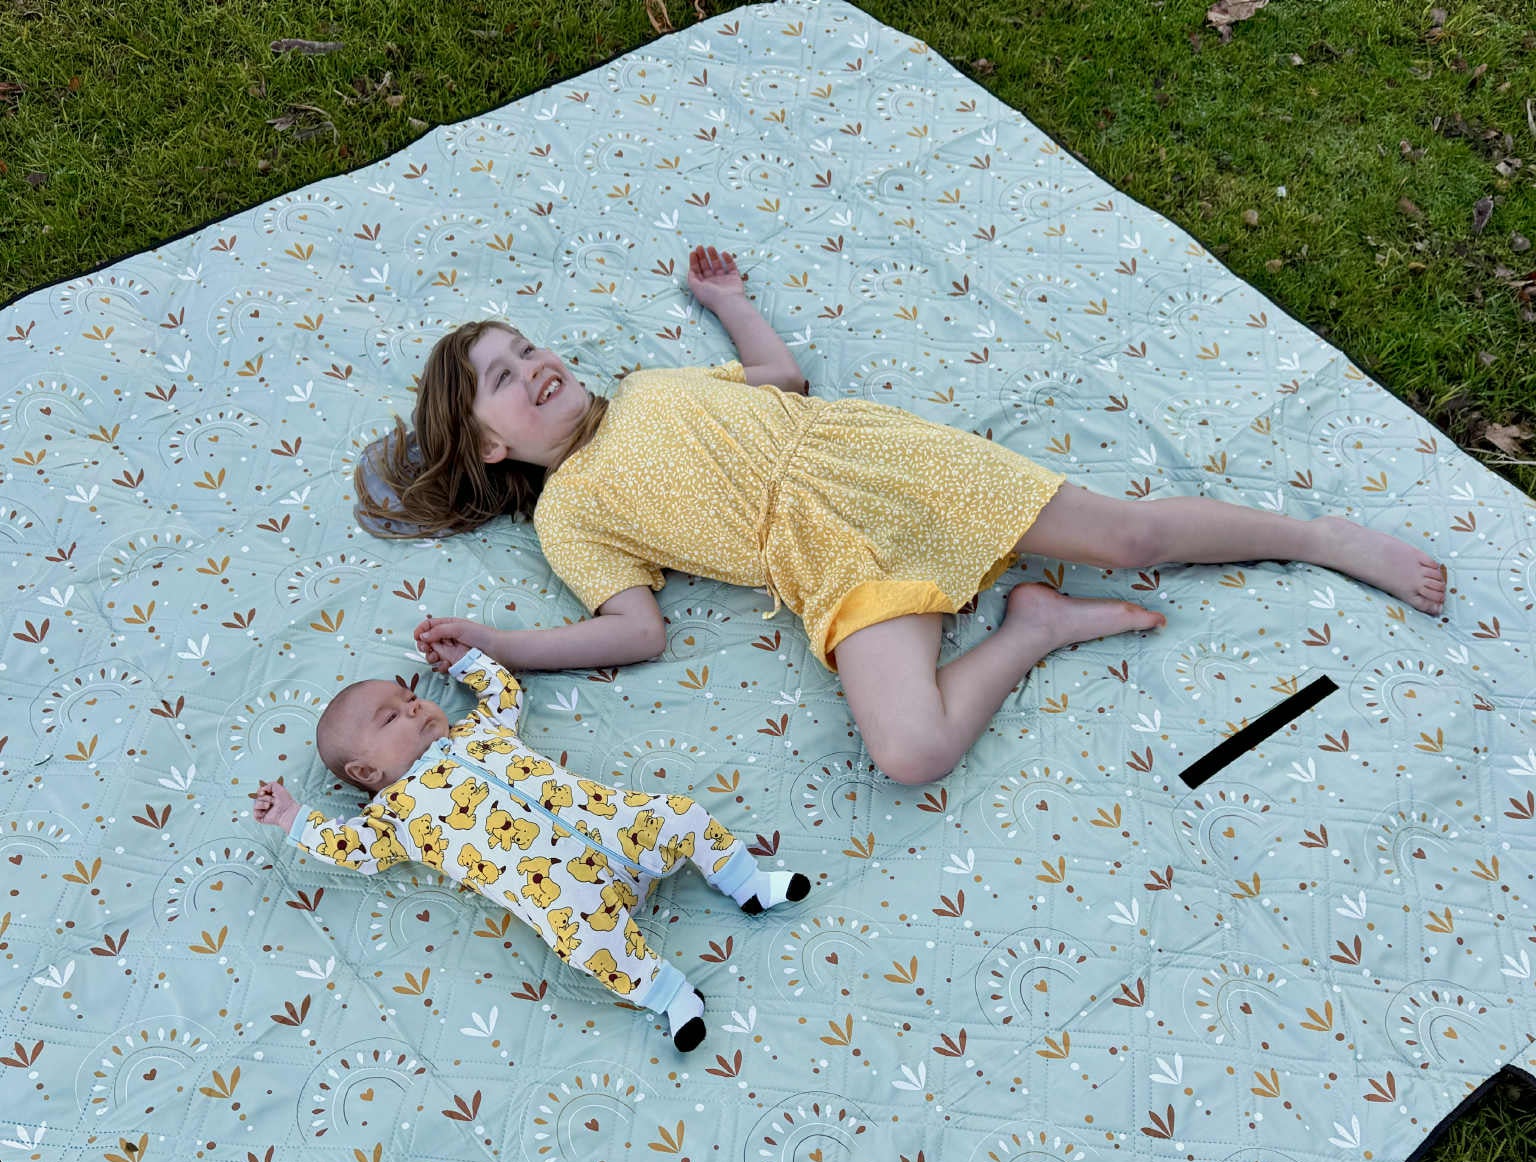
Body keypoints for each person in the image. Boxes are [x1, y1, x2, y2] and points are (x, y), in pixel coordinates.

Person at [358, 245, 1447, 785]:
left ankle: (1318, 539)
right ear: (493, 445)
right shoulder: (571, 519)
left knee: (1132, 539)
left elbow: (779, 379)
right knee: (908, 751)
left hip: (884, 469)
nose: (534, 367)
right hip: (829, 567)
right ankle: (1031, 631)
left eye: (526, 348)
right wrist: (500, 644)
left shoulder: (649, 384)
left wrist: (730, 303)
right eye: (502, 380)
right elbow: (634, 631)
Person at [250, 633, 811, 1051]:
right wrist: (295, 818)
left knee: (681, 816)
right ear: (367, 773)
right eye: (391, 716)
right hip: (569, 896)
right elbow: (353, 850)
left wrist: (466, 662)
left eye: (411, 696)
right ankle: (670, 996)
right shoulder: (394, 817)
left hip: (613, 823)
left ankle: (748, 884)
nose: (416, 705)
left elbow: (506, 695)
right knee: (586, 945)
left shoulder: (478, 731)